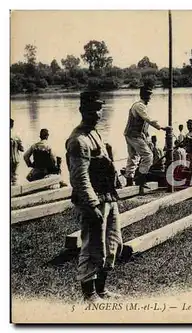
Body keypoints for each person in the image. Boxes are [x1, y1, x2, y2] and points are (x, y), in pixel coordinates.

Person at [65, 90, 122, 303]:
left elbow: (105, 161)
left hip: (108, 196)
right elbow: (79, 178)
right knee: (92, 246)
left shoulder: (95, 133)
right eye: (92, 109)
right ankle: (89, 294)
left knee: (112, 243)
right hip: (94, 200)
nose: (97, 113)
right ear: (82, 110)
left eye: (99, 108)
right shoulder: (77, 140)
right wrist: (92, 204)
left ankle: (102, 289)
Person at [123, 85, 167, 187]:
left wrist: (146, 137)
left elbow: (144, 124)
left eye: (150, 96)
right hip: (134, 135)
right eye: (148, 96)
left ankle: (129, 181)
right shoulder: (139, 106)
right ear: (143, 96)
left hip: (131, 134)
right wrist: (162, 127)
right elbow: (149, 120)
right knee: (148, 156)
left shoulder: (141, 106)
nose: (150, 98)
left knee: (133, 157)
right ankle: (141, 179)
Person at [10, 118, 25, 186]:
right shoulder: (16, 135)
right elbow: (22, 149)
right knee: (14, 177)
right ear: (12, 125)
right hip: (15, 159)